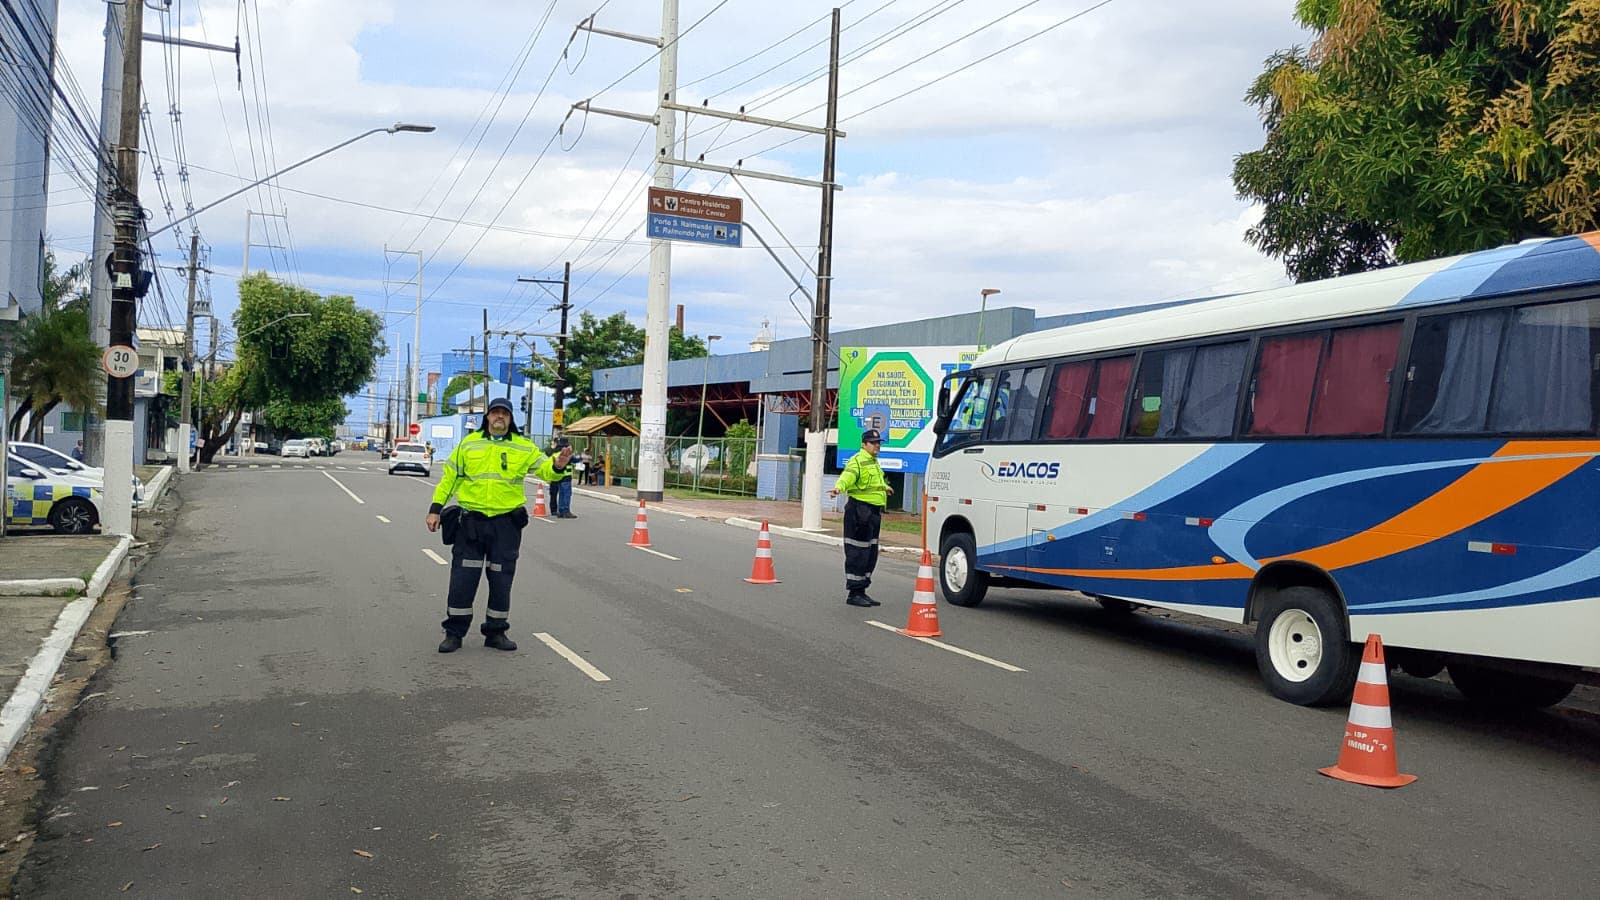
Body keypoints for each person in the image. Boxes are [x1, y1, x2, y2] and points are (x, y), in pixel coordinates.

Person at [425, 396, 572, 653]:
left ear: (511, 418)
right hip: (471, 523)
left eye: (505, 413)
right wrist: (435, 509)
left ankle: (496, 632)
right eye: (495, 412)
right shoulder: (469, 444)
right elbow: (450, 479)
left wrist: (558, 466)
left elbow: (545, 470)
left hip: (506, 525)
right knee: (463, 579)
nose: (499, 416)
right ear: (488, 417)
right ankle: (454, 633)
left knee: (501, 579)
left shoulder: (524, 447)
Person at [828, 428, 893, 607]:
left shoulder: (873, 462)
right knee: (858, 552)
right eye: (873, 443)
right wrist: (838, 488)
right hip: (859, 511)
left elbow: (872, 482)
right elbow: (848, 476)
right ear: (864, 444)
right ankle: (854, 593)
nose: (877, 445)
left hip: (873, 512)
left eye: (878, 443)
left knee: (870, 553)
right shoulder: (857, 460)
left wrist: (884, 487)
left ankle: (862, 590)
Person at [547, 436, 576, 518]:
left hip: (556, 477)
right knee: (566, 495)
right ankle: (566, 511)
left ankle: (559, 511)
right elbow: (575, 460)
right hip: (566, 477)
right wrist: (580, 457)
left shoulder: (554, 452)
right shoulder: (566, 454)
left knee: (559, 494)